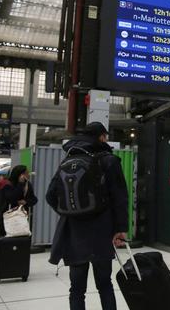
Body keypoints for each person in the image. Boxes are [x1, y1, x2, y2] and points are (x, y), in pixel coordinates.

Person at [47, 122, 128, 310]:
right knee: (105, 285)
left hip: (74, 233)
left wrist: (69, 212)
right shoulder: (109, 161)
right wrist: (120, 229)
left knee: (76, 289)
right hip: (102, 231)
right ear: (102, 137)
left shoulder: (67, 161)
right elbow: (120, 198)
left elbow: (50, 195)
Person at [0, 165, 38, 237]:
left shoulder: (27, 185)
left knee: (21, 238)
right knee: (8, 238)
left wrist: (26, 202)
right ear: (20, 174)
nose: (28, 175)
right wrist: (20, 184)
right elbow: (12, 198)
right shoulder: (8, 185)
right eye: (26, 173)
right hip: (8, 216)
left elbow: (34, 199)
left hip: (23, 217)